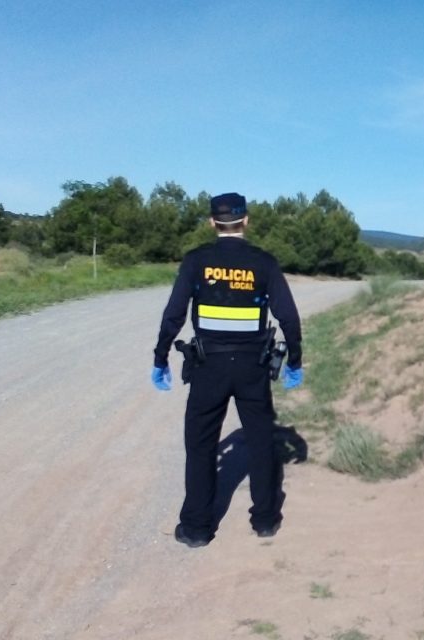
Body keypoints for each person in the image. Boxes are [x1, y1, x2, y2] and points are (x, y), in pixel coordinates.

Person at [151, 192, 304, 548]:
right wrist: (294, 360)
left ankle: (197, 528)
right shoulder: (263, 262)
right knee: (262, 441)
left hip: (208, 367)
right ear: (245, 221)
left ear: (212, 222)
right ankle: (265, 521)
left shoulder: (196, 261)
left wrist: (160, 358)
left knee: (201, 446)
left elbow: (173, 315)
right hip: (253, 366)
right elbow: (289, 318)